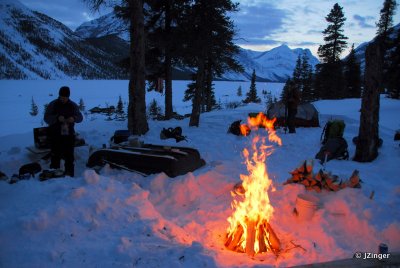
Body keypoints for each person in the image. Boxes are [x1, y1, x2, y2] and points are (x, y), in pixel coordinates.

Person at [44, 86, 83, 177]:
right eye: (62, 97)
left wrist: (74, 118)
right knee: (55, 156)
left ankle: (69, 175)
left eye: (65, 97)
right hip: (55, 134)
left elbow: (80, 118)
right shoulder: (53, 104)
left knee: (69, 157)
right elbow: (46, 118)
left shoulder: (73, 105)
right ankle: (54, 174)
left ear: (68, 96)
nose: (63, 99)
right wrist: (57, 118)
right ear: (59, 96)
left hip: (69, 135)